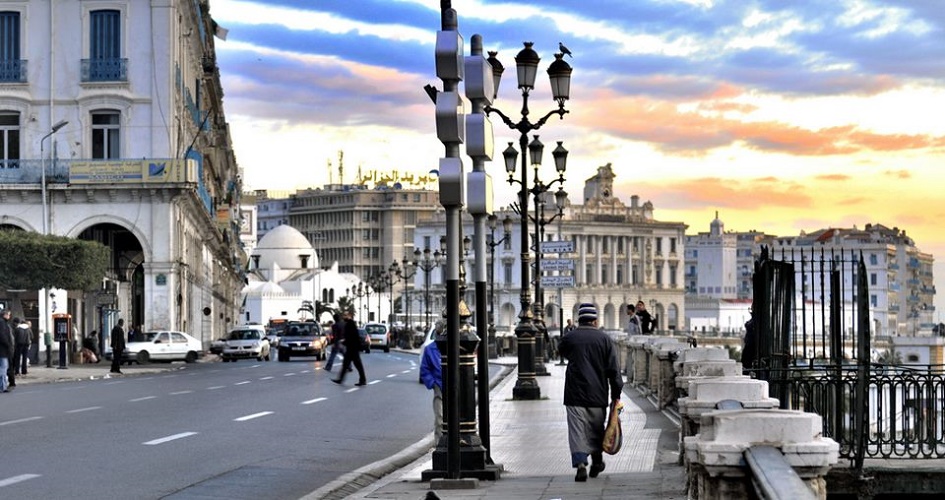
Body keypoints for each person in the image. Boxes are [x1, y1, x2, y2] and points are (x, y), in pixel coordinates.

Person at [557, 303, 623, 482]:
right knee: (596, 429)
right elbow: (613, 370)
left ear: (580, 319)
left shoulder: (570, 337)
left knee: (577, 431)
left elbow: (560, 351)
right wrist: (616, 393)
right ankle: (597, 461)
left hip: (574, 393)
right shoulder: (604, 339)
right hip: (598, 394)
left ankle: (580, 464)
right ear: (595, 320)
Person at [332, 310, 366, 386]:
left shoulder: (350, 324)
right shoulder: (349, 324)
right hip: (351, 348)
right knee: (347, 364)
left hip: (352, 348)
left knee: (357, 365)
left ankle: (362, 380)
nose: (344, 317)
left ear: (349, 316)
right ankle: (341, 379)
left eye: (345, 315)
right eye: (344, 315)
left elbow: (352, 336)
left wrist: (344, 341)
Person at [419, 338, 443, 443]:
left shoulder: (456, 345)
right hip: (439, 386)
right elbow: (424, 369)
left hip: (454, 386)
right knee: (440, 417)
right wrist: (433, 383)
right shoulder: (430, 349)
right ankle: (440, 443)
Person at [0, 309, 12, 392]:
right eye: (8, 315)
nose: (9, 316)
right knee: (3, 368)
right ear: (5, 315)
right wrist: (8, 345)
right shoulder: (2, 323)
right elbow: (3, 335)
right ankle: (3, 386)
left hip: (3, 349)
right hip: (2, 350)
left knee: (3, 368)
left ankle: (3, 385)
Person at [742, 307, 757, 375]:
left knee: (747, 360)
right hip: (749, 344)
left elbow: (748, 325)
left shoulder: (754, 322)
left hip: (752, 345)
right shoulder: (752, 321)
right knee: (746, 360)